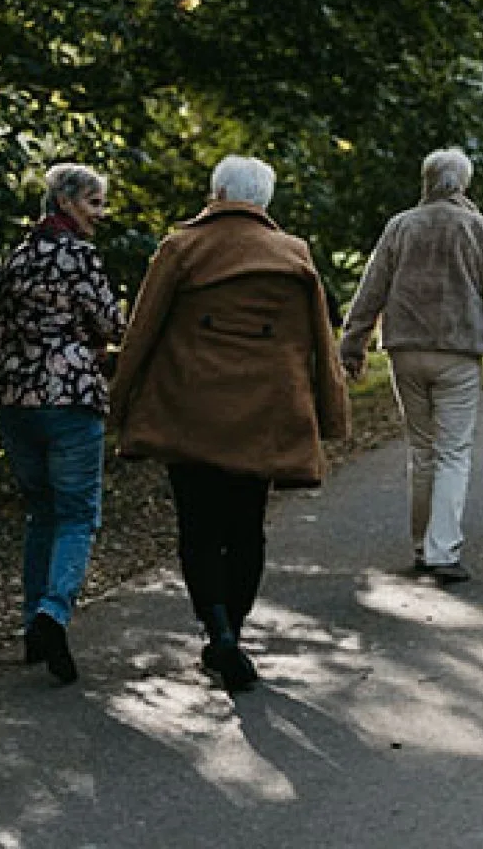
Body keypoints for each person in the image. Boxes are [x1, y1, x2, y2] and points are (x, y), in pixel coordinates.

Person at [106, 154, 349, 692]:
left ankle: (217, 630)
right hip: (262, 414)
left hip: (188, 410)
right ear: (263, 201)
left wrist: (119, 402)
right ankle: (232, 633)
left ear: (216, 192)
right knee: (246, 528)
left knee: (197, 527)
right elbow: (319, 342)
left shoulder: (180, 248)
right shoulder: (294, 255)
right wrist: (329, 414)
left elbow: (142, 331)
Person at [339, 146, 483, 585]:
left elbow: (371, 288)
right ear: (462, 184)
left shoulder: (401, 227)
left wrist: (352, 345)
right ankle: (441, 550)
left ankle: (421, 542)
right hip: (457, 350)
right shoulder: (478, 228)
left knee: (422, 449)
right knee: (452, 451)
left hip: (406, 348)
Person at [0, 161, 122, 684]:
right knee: (78, 515)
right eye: (94, 203)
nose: (100, 215)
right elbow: (111, 322)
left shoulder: (14, 259)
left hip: (14, 401)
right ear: (65, 203)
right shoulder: (79, 257)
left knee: (41, 512)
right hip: (69, 398)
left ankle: (31, 623)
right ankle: (52, 613)